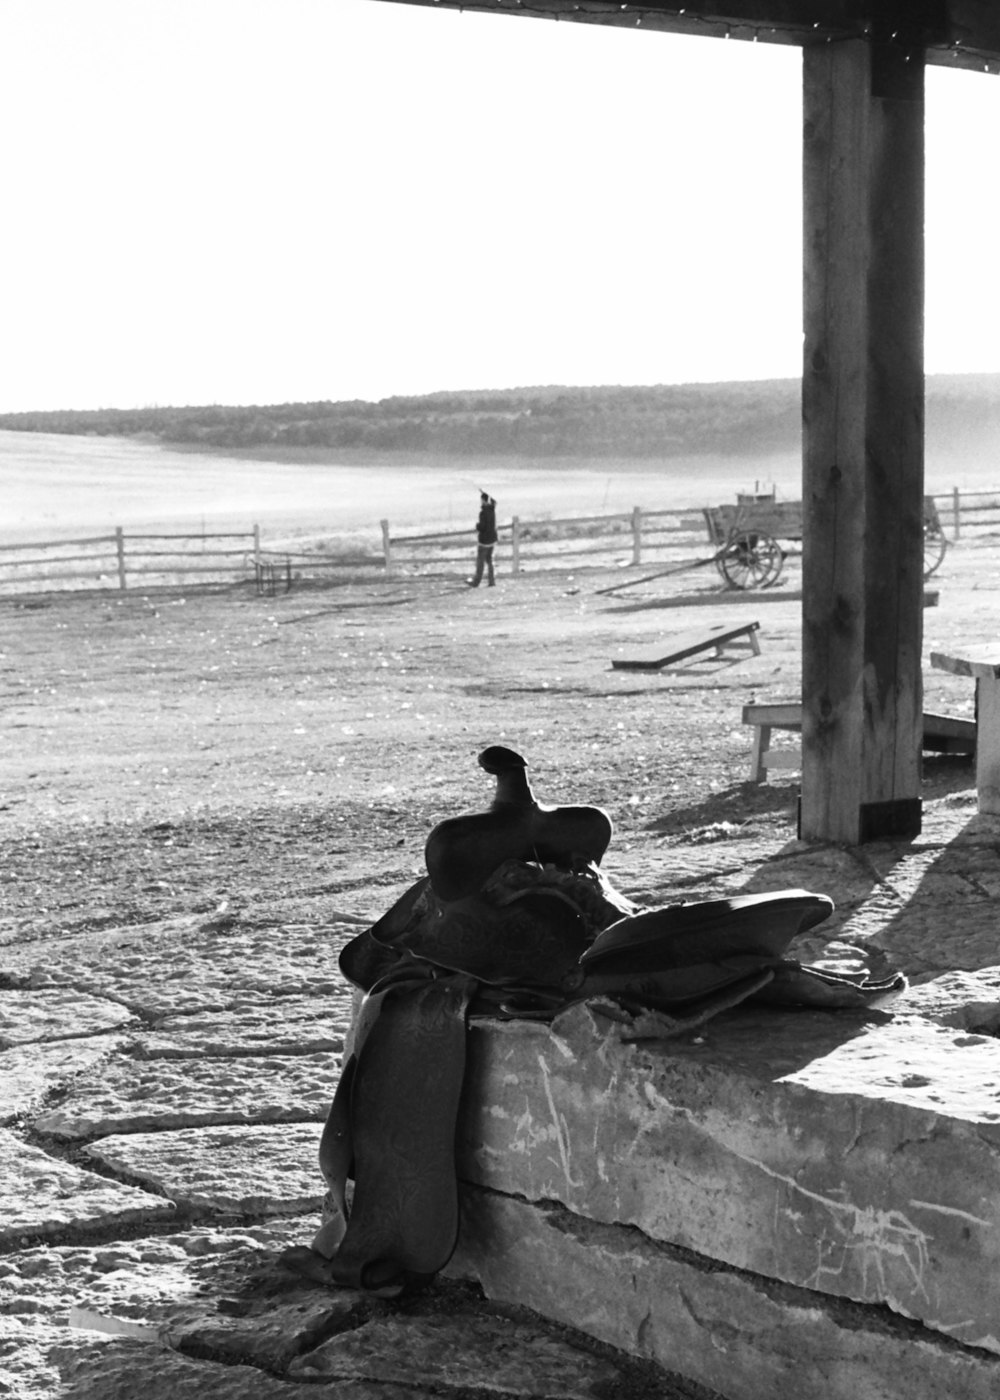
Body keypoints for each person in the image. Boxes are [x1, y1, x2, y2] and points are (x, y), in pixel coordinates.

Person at [468, 491, 497, 587]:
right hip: (492, 540)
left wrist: (477, 525)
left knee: (480, 562)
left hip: (484, 541)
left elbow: (482, 527)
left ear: (483, 501)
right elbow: (494, 502)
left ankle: (476, 582)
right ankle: (491, 581)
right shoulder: (492, 510)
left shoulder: (483, 513)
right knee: (490, 561)